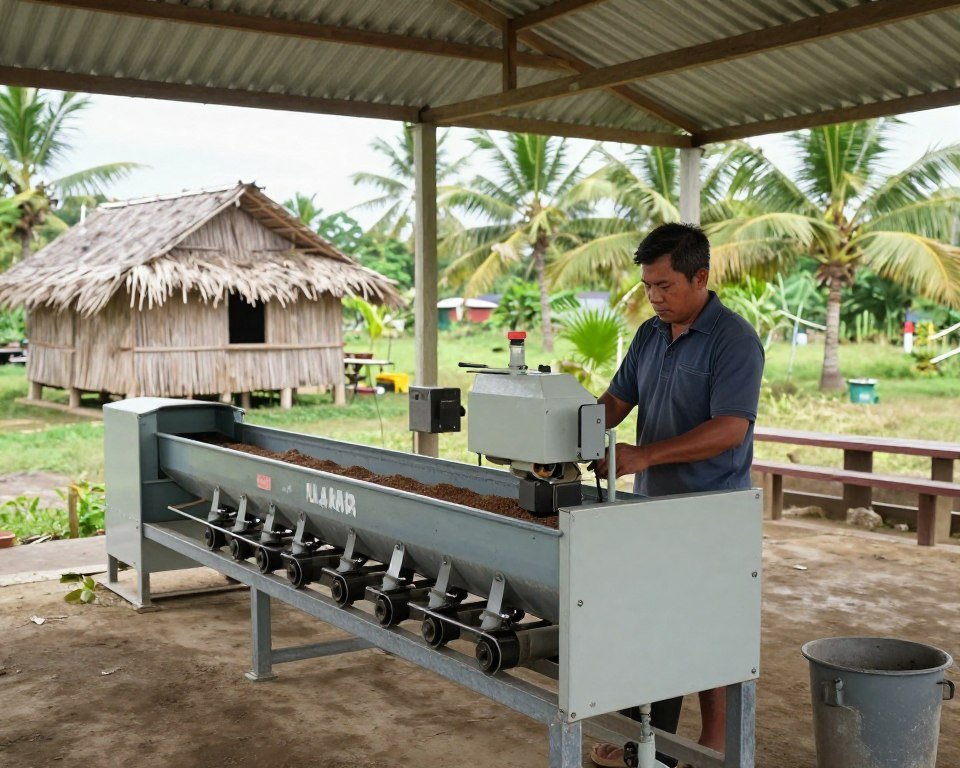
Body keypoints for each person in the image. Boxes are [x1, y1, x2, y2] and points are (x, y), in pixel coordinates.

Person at [589, 222, 765, 768]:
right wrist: (561, 433)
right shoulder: (648, 335)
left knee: (708, 630)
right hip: (651, 510)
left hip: (713, 512)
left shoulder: (734, 340)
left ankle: (711, 747)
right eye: (647, 286)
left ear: (701, 276)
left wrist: (644, 455)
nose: (655, 296)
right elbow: (615, 402)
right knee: (655, 626)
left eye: (665, 285)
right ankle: (644, 743)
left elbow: (730, 428)